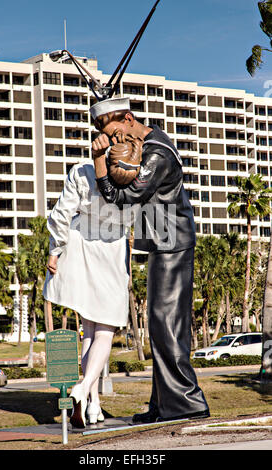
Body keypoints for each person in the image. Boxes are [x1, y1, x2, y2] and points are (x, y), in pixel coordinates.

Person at [91, 96, 210, 423]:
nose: (116, 142)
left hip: (173, 243)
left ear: (129, 118)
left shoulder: (157, 153)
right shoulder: (150, 144)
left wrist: (100, 160)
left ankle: (187, 403)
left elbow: (122, 197)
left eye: (116, 133)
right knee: (160, 327)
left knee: (167, 326)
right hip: (162, 242)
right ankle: (163, 405)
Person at [43, 154, 138, 428]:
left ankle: (93, 404)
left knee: (89, 328)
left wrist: (55, 250)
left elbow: (61, 213)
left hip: (79, 246)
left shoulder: (81, 171)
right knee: (105, 331)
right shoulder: (136, 178)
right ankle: (83, 389)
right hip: (111, 250)